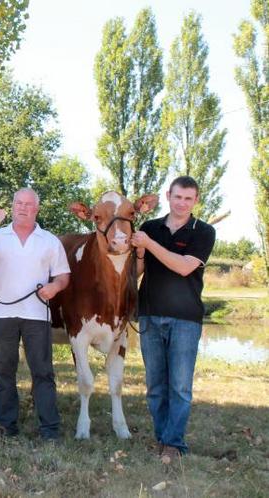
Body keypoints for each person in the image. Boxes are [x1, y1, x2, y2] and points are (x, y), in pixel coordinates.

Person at [0, 188, 70, 440]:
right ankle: (7, 427)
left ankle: (49, 429)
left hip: (37, 315)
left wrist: (54, 286)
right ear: (13, 206)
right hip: (1, 315)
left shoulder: (49, 240)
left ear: (36, 208)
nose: (23, 207)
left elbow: (63, 276)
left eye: (28, 204)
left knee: (43, 373)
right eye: (18, 203)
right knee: (4, 372)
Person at [132, 175, 216, 463]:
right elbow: (137, 271)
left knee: (179, 386)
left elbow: (183, 267)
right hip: (150, 315)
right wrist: (141, 251)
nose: (182, 203)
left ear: (196, 201)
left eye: (188, 199)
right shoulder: (150, 227)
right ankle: (162, 438)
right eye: (178, 197)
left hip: (185, 319)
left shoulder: (203, 232)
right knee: (155, 385)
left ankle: (174, 443)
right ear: (169, 195)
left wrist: (150, 244)